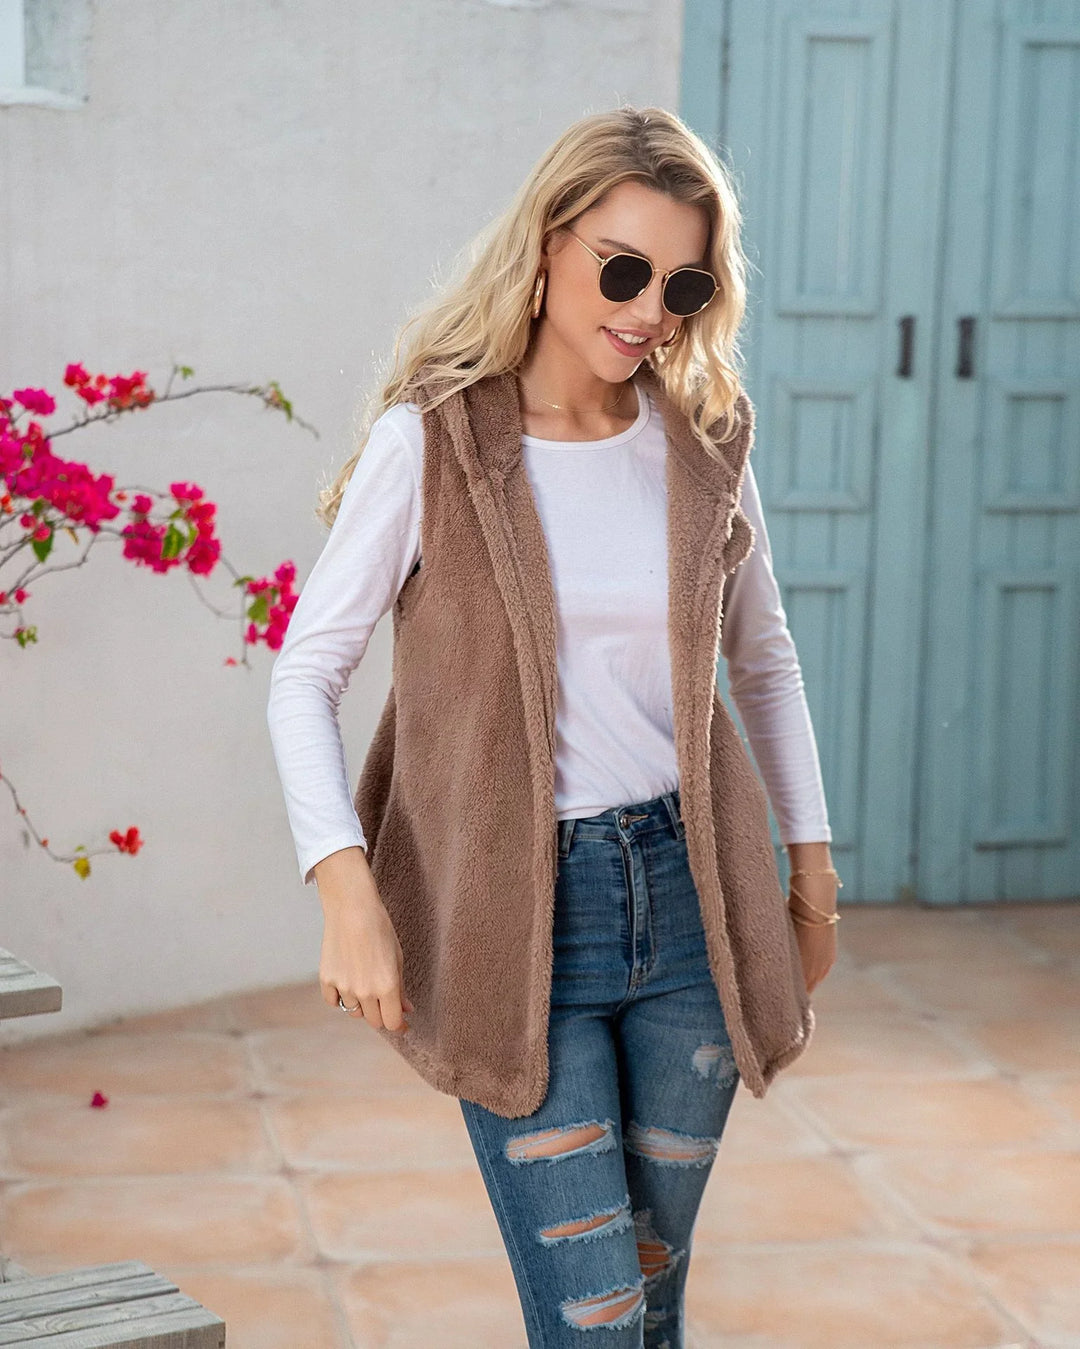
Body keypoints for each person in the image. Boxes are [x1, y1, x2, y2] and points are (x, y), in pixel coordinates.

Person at [267, 104, 839, 1348]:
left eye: (681, 283)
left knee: (654, 1298)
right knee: (594, 1320)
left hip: (692, 907)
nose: (648, 309)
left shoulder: (703, 446)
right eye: (620, 269)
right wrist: (346, 888)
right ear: (547, 245)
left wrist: (812, 878)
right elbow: (305, 670)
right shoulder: (436, 440)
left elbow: (766, 660)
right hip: (520, 922)